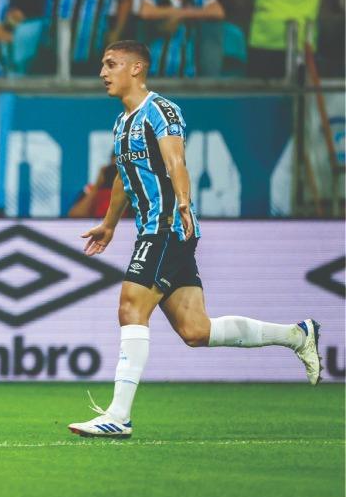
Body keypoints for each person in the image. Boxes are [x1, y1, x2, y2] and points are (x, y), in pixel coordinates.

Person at [66, 40, 323, 439]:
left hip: (167, 226)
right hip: (154, 228)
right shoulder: (122, 123)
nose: (103, 72)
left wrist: (183, 203)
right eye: (103, 65)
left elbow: (175, 161)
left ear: (137, 69)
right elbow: (121, 177)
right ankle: (296, 335)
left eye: (111, 64)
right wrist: (110, 223)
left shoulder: (161, 111)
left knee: (131, 306)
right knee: (195, 331)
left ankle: (119, 414)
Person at [139, 0, 224, 78]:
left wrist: (181, 14)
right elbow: (145, 12)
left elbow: (218, 12)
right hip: (156, 67)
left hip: (188, 68)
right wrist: (172, 12)